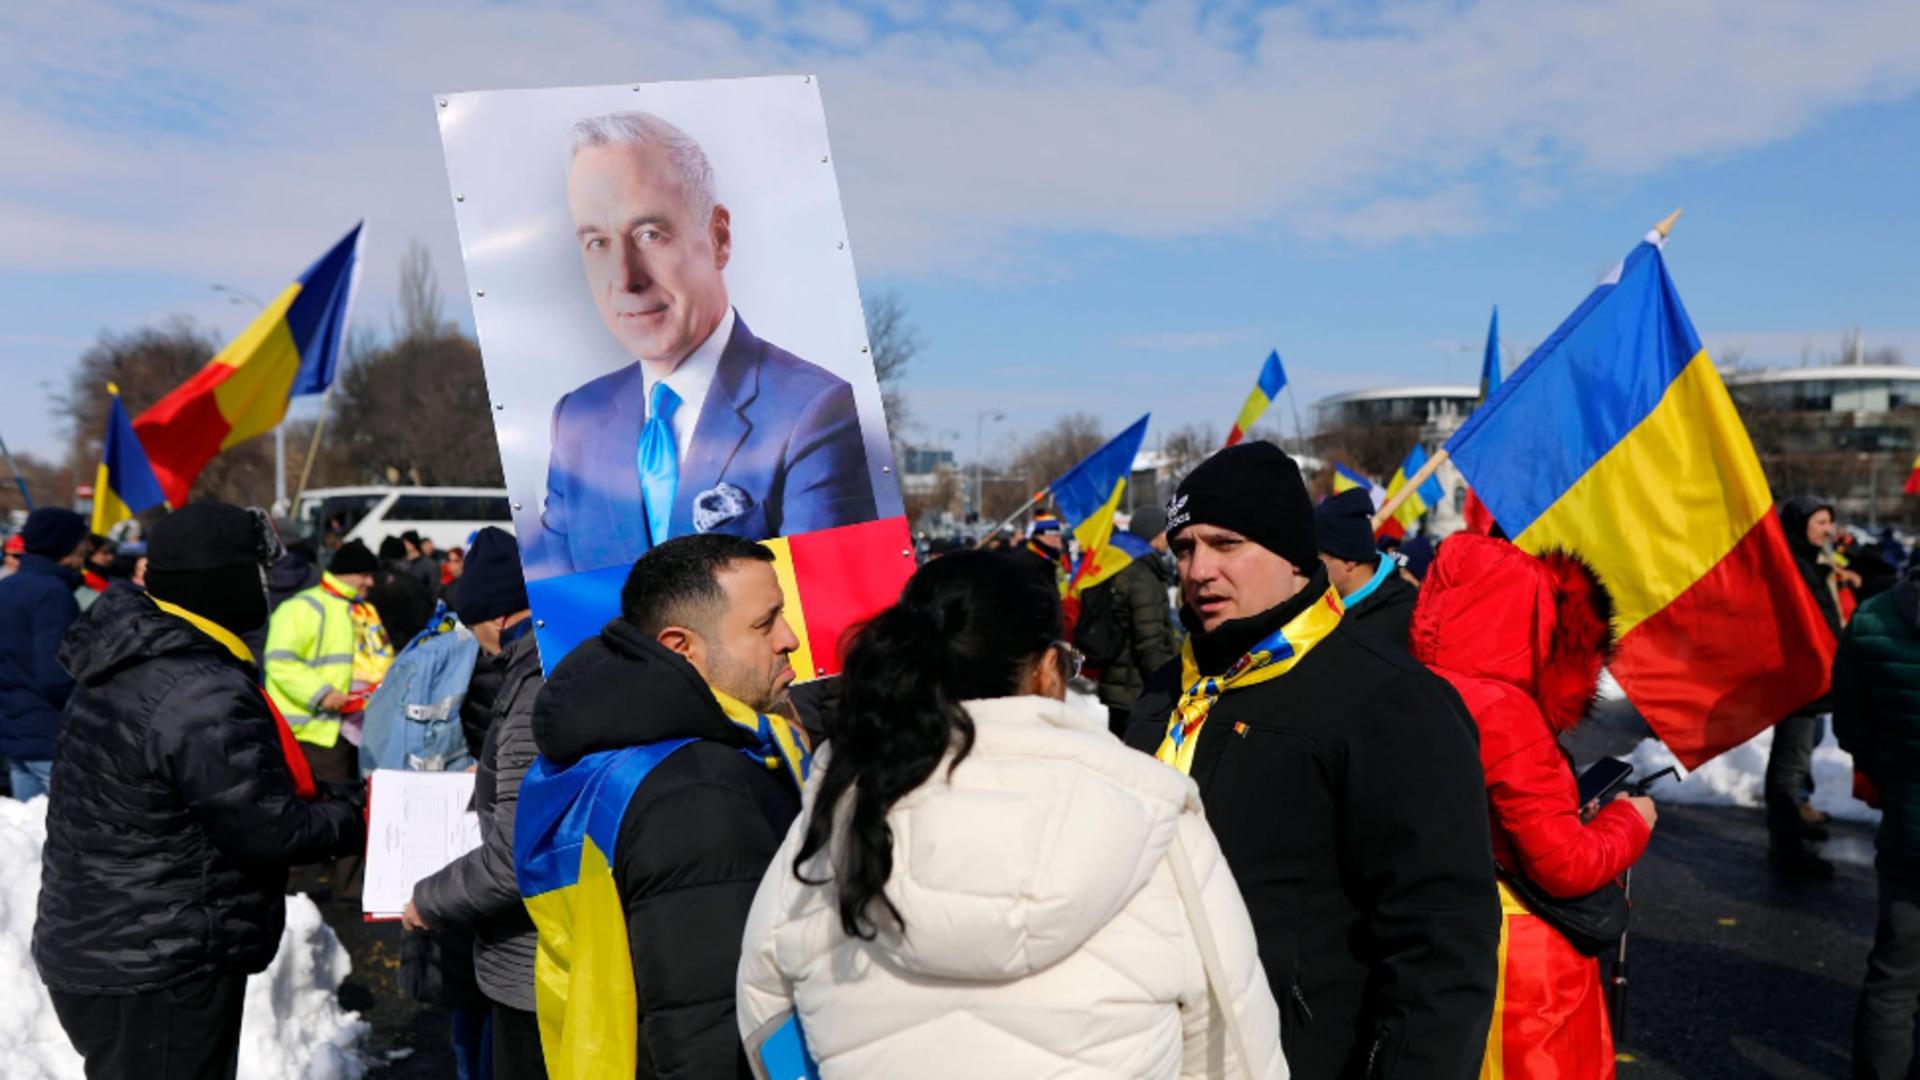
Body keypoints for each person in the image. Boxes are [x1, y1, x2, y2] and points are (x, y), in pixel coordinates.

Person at [738, 550, 1286, 1078]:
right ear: (1048, 670)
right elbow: (1232, 1045)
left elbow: (768, 1021)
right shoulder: (1154, 812)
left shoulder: (836, 811)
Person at [1123, 441, 1499, 1079]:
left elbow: (1439, 943)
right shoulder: (1167, 689)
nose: (1199, 569)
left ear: (1295, 556)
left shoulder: (1389, 699)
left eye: (1227, 543)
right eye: (1185, 548)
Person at [33, 502, 364, 1080]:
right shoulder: (197, 685)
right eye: (255, 575)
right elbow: (267, 827)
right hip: (161, 962)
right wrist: (361, 813)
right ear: (223, 582)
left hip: (107, 945)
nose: (265, 591)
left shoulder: (132, 652)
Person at [525, 111, 877, 580]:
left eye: (650, 234)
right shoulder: (576, 420)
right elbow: (564, 610)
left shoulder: (814, 411)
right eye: (598, 243)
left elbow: (827, 610)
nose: (625, 279)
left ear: (719, 237)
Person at [516, 533, 811, 1076]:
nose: (789, 639)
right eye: (764, 623)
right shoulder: (696, 794)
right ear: (681, 648)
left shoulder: (621, 746)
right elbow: (709, 1027)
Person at [1409, 535, 1655, 1078]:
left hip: (1433, 942)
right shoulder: (1504, 711)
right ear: (1527, 615)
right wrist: (1629, 820)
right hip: (1520, 960)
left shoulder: (1409, 688)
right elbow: (1565, 865)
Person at [407, 528, 548, 1080]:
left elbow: (516, 854)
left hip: (527, 961)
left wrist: (428, 900)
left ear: (493, 616)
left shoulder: (532, 686)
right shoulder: (541, 668)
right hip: (525, 956)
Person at [1834, 564, 1920, 1077]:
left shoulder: (1872, 618)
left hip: (1909, 828)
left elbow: (1850, 723)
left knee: (1895, 978)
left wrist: (1893, 779)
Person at [265, 536, 380, 899]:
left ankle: (341, 887)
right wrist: (322, 694)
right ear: (346, 574)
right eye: (365, 574)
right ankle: (303, 889)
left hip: (346, 729)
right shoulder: (306, 609)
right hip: (313, 729)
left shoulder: (355, 610)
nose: (371, 582)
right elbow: (280, 661)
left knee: (344, 806)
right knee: (317, 809)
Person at [1769, 496, 1847, 879]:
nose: (1827, 530)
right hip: (1798, 684)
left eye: (1828, 522)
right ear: (1800, 525)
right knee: (1790, 762)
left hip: (1813, 681)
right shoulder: (1792, 566)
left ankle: (1793, 826)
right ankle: (1787, 851)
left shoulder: (1811, 562)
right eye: (1820, 523)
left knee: (1801, 754)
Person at [0, 507, 91, 799]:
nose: (87, 547)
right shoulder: (52, 593)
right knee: (64, 835)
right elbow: (56, 673)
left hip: (16, 731)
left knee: (29, 835)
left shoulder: (9, 586)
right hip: (50, 736)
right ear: (65, 545)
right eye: (81, 540)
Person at [1077, 505, 1178, 734]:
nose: (1169, 539)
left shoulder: (1121, 564)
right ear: (1155, 534)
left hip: (1119, 683)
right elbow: (1150, 639)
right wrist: (1165, 686)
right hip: (1136, 687)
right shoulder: (1142, 574)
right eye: (1166, 532)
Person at [1314, 487, 1418, 650]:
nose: (1307, 567)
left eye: (1317, 556)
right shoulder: (1321, 605)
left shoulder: (1407, 618)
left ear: (1348, 560)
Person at [372, 535, 436, 649]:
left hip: (374, 645)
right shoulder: (412, 582)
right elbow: (423, 615)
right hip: (405, 645)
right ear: (403, 556)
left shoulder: (368, 582)